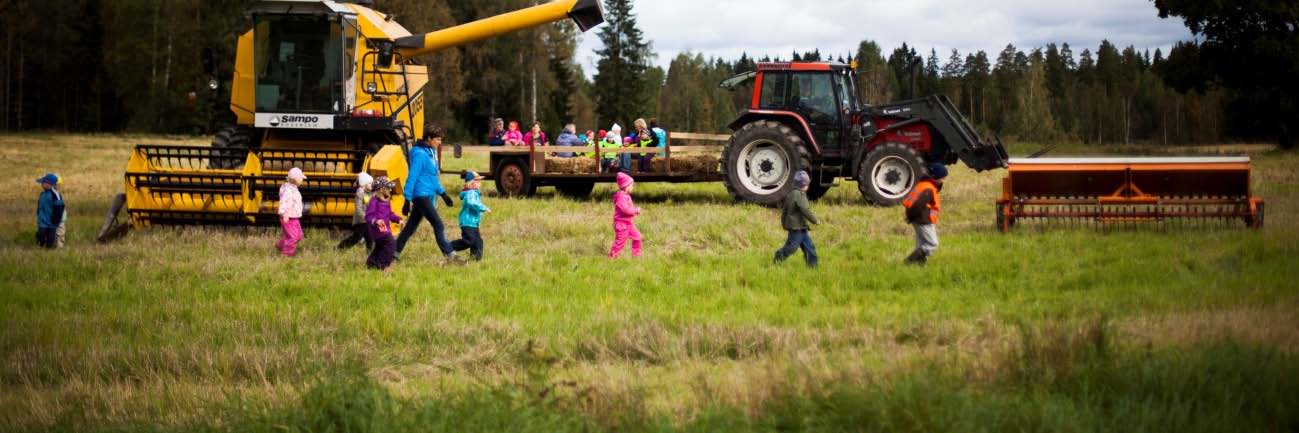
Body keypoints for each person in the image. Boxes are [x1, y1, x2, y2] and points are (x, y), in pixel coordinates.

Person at [395, 126, 456, 262]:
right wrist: (407, 199)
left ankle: (394, 252)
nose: (439, 142)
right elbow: (412, 176)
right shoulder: (420, 154)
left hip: (427, 194)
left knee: (410, 227)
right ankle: (451, 256)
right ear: (429, 138)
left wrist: (444, 194)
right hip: (420, 196)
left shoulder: (429, 152)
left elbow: (431, 178)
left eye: (441, 140)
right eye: (437, 139)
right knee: (438, 224)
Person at [902, 163, 947, 265]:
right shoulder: (928, 189)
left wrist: (911, 218)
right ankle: (909, 261)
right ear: (936, 177)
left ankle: (921, 265)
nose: (943, 180)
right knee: (932, 244)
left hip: (918, 219)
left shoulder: (924, 185)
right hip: (923, 220)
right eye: (942, 178)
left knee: (921, 243)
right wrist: (911, 217)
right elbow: (916, 206)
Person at [773, 171, 820, 268]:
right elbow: (805, 210)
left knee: (809, 247)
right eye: (807, 184)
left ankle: (812, 266)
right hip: (796, 229)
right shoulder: (800, 195)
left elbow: (784, 211)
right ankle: (778, 257)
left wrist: (784, 224)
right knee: (791, 247)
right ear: (804, 185)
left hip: (801, 228)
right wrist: (815, 220)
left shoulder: (791, 194)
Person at [451, 171, 492, 261]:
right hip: (467, 222)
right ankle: (449, 246)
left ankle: (475, 259)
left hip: (473, 223)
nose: (480, 183)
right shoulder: (471, 193)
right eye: (478, 181)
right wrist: (483, 208)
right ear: (472, 183)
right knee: (469, 241)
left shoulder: (474, 192)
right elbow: (471, 203)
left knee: (478, 242)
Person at [365, 177, 402, 272]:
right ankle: (383, 265)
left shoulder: (386, 201)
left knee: (380, 246)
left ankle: (371, 263)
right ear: (381, 190)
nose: (390, 190)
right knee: (391, 244)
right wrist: (376, 221)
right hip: (377, 230)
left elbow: (390, 214)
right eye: (388, 188)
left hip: (385, 229)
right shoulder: (374, 201)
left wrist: (398, 219)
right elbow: (368, 216)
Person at [608, 172, 643, 259]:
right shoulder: (621, 197)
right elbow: (625, 210)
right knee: (620, 242)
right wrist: (635, 211)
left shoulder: (626, 195)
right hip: (622, 225)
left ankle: (636, 255)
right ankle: (612, 257)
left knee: (637, 237)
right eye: (632, 185)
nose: (633, 187)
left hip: (628, 223)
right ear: (626, 186)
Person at [338, 172, 375, 251]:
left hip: (367, 221)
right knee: (356, 238)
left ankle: (369, 254)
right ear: (363, 185)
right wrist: (365, 216)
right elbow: (358, 208)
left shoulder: (368, 193)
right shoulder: (360, 193)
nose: (372, 185)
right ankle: (340, 248)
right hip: (360, 221)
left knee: (370, 238)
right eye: (370, 184)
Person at [276, 167, 307, 257]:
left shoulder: (293, 188)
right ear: (296, 180)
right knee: (293, 237)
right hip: (289, 217)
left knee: (299, 235)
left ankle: (281, 245)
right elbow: (285, 202)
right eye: (301, 179)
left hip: (294, 217)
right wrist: (285, 214)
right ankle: (287, 255)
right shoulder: (288, 190)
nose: (302, 181)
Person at [34, 173, 64, 249]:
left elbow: (59, 208)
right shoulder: (42, 194)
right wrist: (38, 215)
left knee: (51, 238)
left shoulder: (56, 194)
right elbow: (39, 206)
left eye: (43, 183)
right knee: (41, 234)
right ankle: (41, 245)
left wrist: (56, 220)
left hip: (52, 222)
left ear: (48, 184)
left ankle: (49, 249)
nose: (41, 185)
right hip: (42, 221)